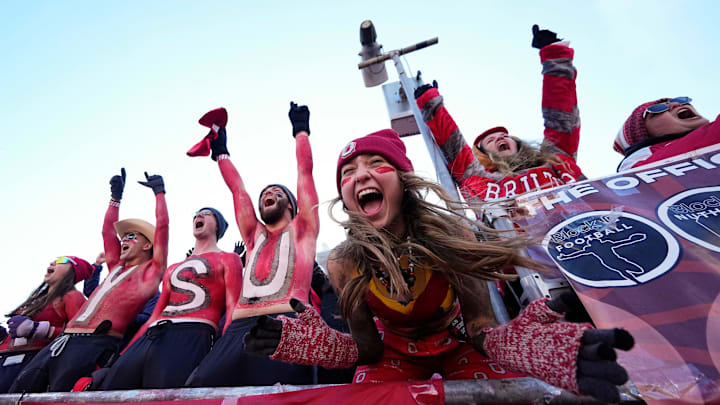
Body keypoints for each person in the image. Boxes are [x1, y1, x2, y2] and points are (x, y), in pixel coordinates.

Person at [245, 129, 635, 403]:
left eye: (376, 164)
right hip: (392, 356)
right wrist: (318, 344)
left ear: (403, 179)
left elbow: (483, 327)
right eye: (348, 172)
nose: (360, 174)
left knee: (503, 398)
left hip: (459, 346)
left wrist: (529, 345)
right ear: (346, 200)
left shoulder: (452, 235)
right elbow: (366, 349)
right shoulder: (344, 262)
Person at [185, 102, 320, 387]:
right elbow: (237, 189)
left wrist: (300, 131)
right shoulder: (253, 235)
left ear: (292, 206)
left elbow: (304, 173)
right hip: (238, 330)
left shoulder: (304, 229)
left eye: (277, 192)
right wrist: (221, 151)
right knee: (199, 392)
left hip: (286, 324)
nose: (268, 193)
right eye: (265, 193)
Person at [10, 169, 168, 393]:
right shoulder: (115, 267)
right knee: (21, 390)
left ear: (147, 246)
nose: (124, 239)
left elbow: (162, 228)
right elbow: (107, 232)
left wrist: (159, 194)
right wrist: (115, 198)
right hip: (65, 339)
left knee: (62, 395)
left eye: (132, 236)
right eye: (124, 237)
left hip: (95, 343)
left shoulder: (150, 273)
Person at [415, 25, 583, 204]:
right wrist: (431, 105)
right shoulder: (481, 182)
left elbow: (561, 118)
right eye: (490, 141)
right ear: (483, 156)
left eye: (505, 136)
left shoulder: (555, 160)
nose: (501, 138)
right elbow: (456, 149)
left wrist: (554, 56)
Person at [98, 207, 241, 389]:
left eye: (207, 213)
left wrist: (221, 352)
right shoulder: (173, 267)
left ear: (218, 226)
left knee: (165, 394)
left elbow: (232, 308)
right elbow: (154, 315)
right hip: (152, 334)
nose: (199, 215)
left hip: (192, 332)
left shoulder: (229, 259)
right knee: (113, 387)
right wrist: (122, 355)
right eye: (196, 214)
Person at [0, 256, 93, 393]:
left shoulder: (71, 296)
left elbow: (81, 333)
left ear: (74, 270)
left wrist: (39, 329)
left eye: (62, 260)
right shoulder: (36, 299)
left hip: (30, 362)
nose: (52, 262)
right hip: (4, 359)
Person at [613, 97, 718, 171]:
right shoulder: (639, 158)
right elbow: (634, 176)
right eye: (658, 109)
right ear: (645, 134)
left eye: (681, 100)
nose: (676, 104)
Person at [83, 252, 160, 349]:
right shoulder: (116, 286)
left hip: (122, 345)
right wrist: (97, 266)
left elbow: (148, 318)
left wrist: (121, 315)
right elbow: (91, 293)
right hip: (98, 341)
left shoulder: (151, 291)